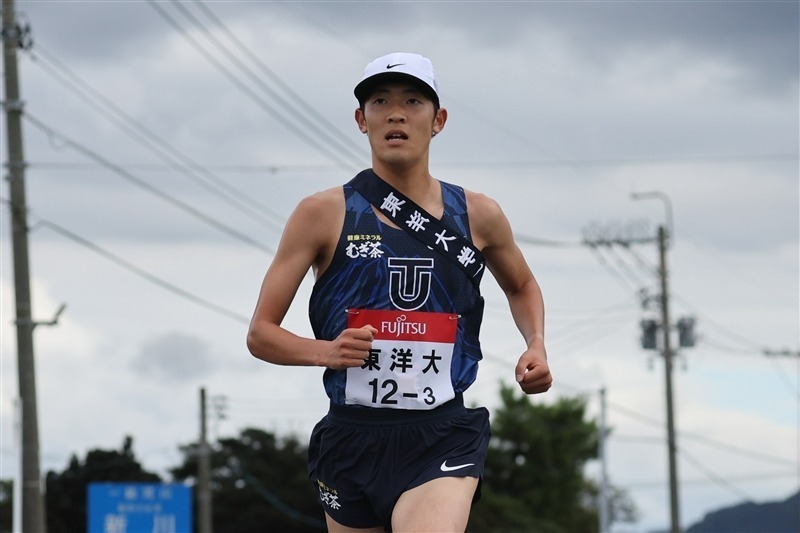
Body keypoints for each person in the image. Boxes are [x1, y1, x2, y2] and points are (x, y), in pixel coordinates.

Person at [247, 51, 552, 532]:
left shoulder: (478, 214)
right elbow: (261, 334)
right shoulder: (323, 213)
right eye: (380, 101)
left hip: (441, 434)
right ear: (360, 119)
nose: (395, 113)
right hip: (351, 437)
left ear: (438, 120)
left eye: (413, 101)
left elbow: (521, 284)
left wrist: (535, 343)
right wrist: (326, 351)